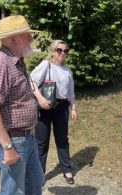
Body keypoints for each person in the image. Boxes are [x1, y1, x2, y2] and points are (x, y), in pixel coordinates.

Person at [0, 15, 44, 195]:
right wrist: (7, 147)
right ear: (13, 39)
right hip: (12, 141)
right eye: (27, 35)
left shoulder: (17, 61)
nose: (31, 39)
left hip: (27, 137)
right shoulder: (1, 64)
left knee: (35, 183)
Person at [30, 40, 77, 184]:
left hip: (61, 108)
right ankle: (39, 174)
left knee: (62, 140)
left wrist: (73, 107)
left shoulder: (67, 70)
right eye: (59, 50)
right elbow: (31, 81)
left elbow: (70, 92)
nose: (63, 53)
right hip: (45, 108)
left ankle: (67, 170)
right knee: (41, 142)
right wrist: (40, 98)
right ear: (52, 51)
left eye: (65, 51)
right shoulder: (46, 65)